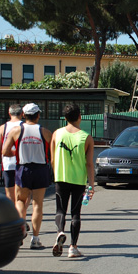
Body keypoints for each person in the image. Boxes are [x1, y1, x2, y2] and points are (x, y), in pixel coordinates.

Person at [3, 103, 53, 250]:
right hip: (40, 168)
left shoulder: (16, 131)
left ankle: (20, 231)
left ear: (23, 115)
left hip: (23, 168)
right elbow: (53, 150)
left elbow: (5, 151)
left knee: (20, 200)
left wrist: (17, 152)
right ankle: (35, 239)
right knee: (37, 204)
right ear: (38, 115)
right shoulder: (44, 132)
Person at [50, 104, 95, 258]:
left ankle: (59, 232)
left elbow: (52, 159)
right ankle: (73, 247)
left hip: (61, 177)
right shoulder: (86, 137)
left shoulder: (57, 134)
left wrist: (56, 174)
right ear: (80, 117)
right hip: (78, 180)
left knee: (60, 209)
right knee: (76, 213)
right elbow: (89, 164)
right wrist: (91, 185)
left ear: (65, 118)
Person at [0, 104, 30, 226]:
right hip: (23, 164)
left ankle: (15, 222)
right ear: (22, 114)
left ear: (9, 114)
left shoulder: (3, 127)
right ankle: (22, 219)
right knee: (24, 196)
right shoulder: (25, 127)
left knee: (11, 197)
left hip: (8, 164)